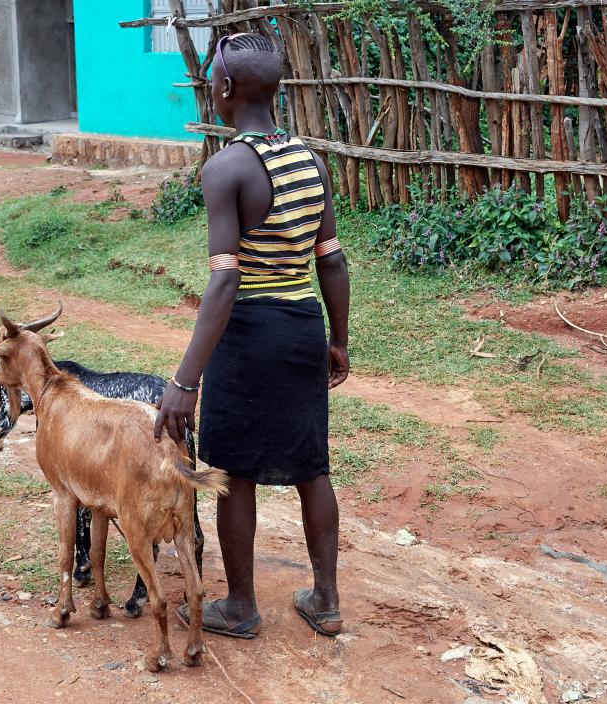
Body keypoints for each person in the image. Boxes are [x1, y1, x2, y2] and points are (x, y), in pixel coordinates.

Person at [155, 32, 350, 639]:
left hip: (248, 337)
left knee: (233, 470)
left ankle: (240, 607)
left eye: (213, 80)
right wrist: (338, 340)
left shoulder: (227, 168)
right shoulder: (311, 162)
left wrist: (185, 381)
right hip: (300, 329)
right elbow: (332, 260)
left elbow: (223, 284)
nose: (210, 88)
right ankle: (326, 600)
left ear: (227, 89)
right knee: (311, 468)